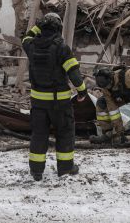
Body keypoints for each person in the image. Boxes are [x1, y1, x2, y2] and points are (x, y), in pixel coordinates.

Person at [22, 12, 88, 180]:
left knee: (39, 135)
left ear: (41, 27)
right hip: (60, 103)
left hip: (38, 102)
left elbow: (26, 37)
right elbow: (74, 73)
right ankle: (65, 168)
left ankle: (36, 171)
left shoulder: (31, 46)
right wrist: (82, 92)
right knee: (65, 133)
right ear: (59, 28)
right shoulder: (61, 48)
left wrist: (38, 25)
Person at [90, 66, 130, 147]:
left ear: (111, 79)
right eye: (105, 87)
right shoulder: (106, 88)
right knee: (102, 104)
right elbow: (113, 112)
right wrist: (119, 133)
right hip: (123, 97)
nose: (107, 88)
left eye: (108, 86)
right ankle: (108, 134)